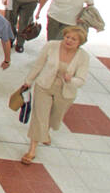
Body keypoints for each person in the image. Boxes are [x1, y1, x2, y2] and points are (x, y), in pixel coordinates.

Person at [19, 26, 91, 165]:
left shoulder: (83, 56)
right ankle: (32, 149)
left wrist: (71, 79)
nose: (69, 41)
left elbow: (82, 79)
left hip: (66, 91)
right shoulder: (52, 46)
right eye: (67, 37)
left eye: (73, 39)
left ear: (79, 42)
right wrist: (28, 81)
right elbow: (38, 65)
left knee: (55, 117)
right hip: (44, 85)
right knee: (40, 117)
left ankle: (45, 132)